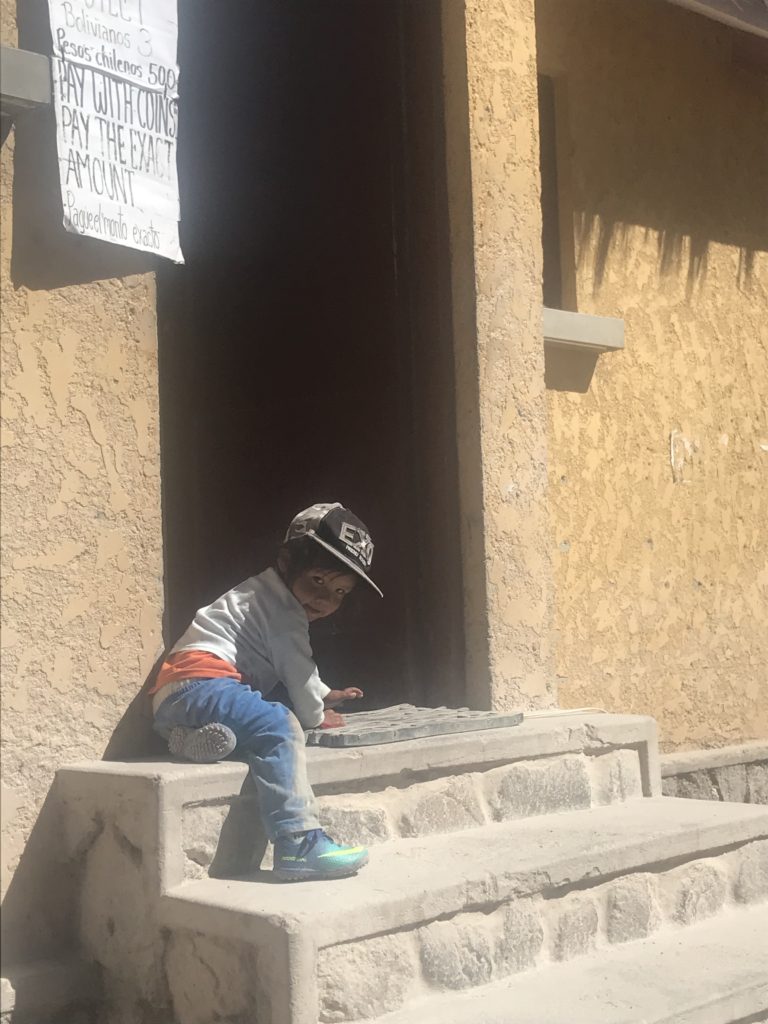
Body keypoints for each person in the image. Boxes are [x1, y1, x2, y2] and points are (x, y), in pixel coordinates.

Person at [149, 502, 382, 881]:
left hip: (177, 697)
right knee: (278, 722)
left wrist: (322, 692)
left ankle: (183, 739)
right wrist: (314, 715)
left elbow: (297, 668)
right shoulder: (282, 609)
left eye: (340, 591)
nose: (326, 599)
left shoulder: (263, 595)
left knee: (247, 728)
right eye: (319, 581)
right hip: (202, 683)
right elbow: (297, 667)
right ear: (288, 563)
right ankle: (297, 845)